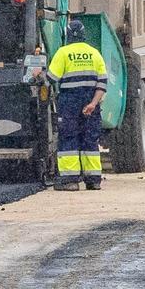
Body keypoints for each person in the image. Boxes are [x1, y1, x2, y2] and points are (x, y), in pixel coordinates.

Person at [47, 18, 109, 191]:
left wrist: (38, 74)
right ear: (83, 35)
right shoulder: (94, 53)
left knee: (69, 137)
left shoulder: (63, 53)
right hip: (90, 102)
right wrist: (93, 104)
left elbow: (51, 78)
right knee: (89, 139)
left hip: (70, 103)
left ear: (68, 35)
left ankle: (70, 180)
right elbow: (102, 83)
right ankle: (93, 180)